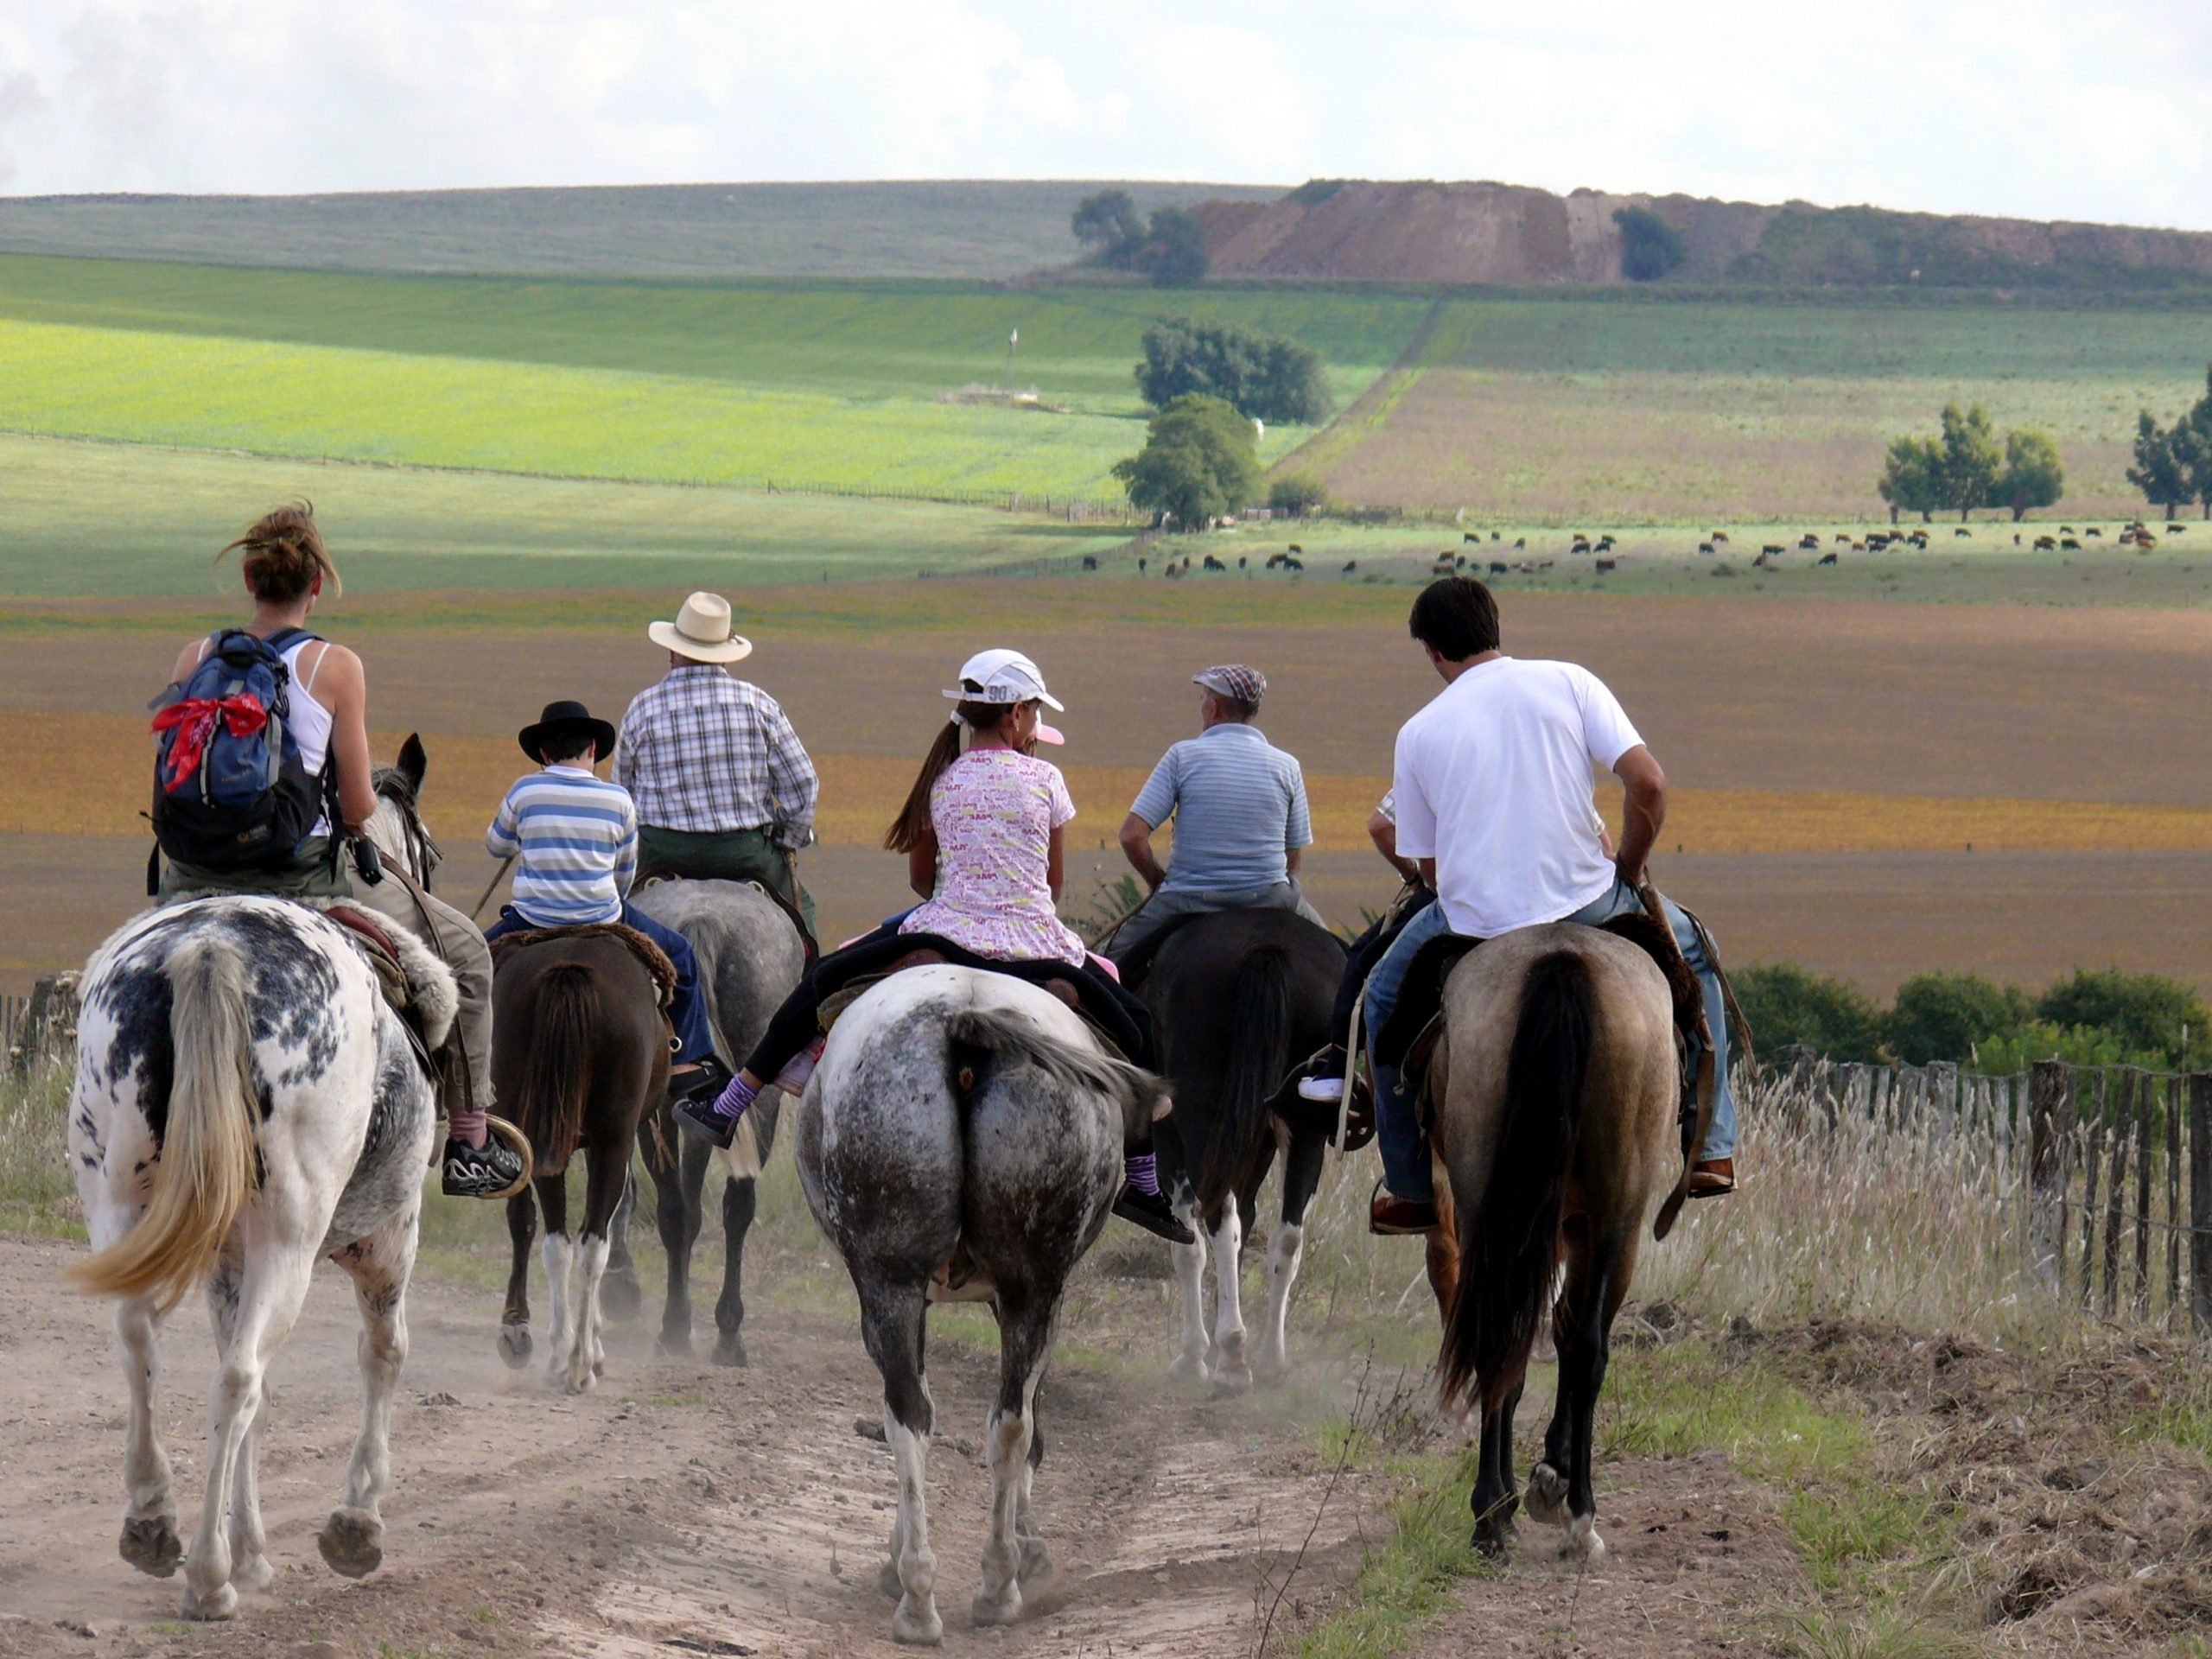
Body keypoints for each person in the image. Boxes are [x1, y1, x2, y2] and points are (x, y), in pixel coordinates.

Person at [677, 649, 1195, 1246]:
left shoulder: (944, 780)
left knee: (820, 985)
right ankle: (1143, 1182)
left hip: (945, 934)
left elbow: (930, 878)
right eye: (1033, 713)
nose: (1034, 723)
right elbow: (1051, 885)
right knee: (1134, 1027)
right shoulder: (1047, 779)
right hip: (1034, 943)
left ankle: (732, 1101)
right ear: (1017, 716)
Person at [1308, 577, 1738, 1235]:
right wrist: (1624, 866)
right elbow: (1648, 782)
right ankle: (1710, 1148)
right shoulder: (1570, 681)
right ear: (1495, 626)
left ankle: (1408, 1186)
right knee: (1697, 960)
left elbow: (1426, 868)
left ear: (1430, 651)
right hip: (1588, 898)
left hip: (1476, 918)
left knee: (1381, 1001)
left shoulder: (1418, 731)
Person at [156, 504, 519, 1198]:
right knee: (468, 954)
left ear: (248, 579)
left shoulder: (194, 659)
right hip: (300, 883)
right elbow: (357, 809)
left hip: (189, 880)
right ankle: (471, 1140)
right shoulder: (335, 665)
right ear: (315, 586)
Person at [480, 701, 731, 1106]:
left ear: (544, 754)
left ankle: (455, 1067)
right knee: (682, 956)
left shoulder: (525, 789)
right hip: (603, 914)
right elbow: (624, 874)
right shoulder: (618, 800)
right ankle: (686, 1060)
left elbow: (497, 846)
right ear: (594, 751)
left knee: (464, 966)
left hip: (531, 918)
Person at [613, 591, 819, 942]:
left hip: (660, 849)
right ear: (724, 653)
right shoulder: (758, 704)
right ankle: (812, 992)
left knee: (609, 918)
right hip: (742, 850)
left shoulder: (642, 708)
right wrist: (787, 838)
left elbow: (621, 794)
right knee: (804, 914)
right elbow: (803, 785)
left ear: (673, 650)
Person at [1108, 664, 1326, 977]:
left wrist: (1158, 881)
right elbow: (1293, 859)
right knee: (1343, 969)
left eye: (1203, 698)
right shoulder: (1287, 766)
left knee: (1107, 969)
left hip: (1187, 898)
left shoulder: (1182, 756)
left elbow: (1132, 836)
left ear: (1213, 708)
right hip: (1270, 898)